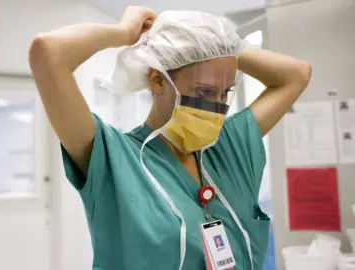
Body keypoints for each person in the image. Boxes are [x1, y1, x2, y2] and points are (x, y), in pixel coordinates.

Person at [29, 6, 311, 270]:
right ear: (157, 80)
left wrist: (220, 45)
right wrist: (124, 32)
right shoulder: (114, 158)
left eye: (224, 93)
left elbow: (297, 74)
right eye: (203, 92)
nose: (217, 107)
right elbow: (48, 53)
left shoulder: (228, 145)